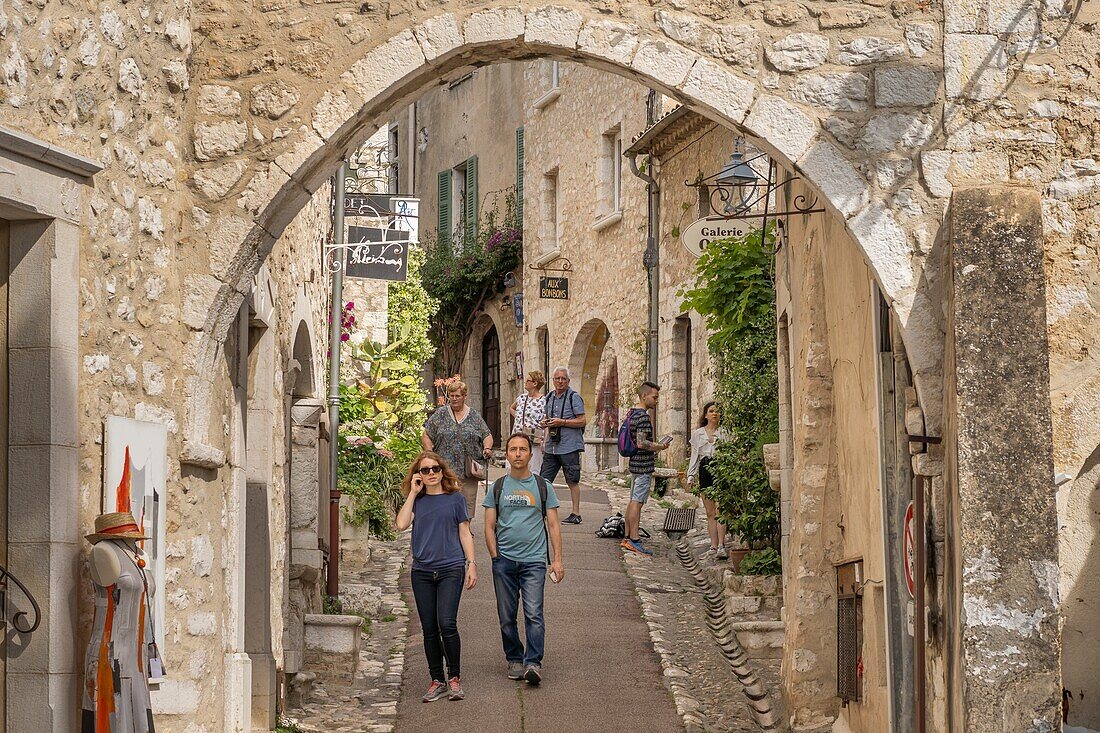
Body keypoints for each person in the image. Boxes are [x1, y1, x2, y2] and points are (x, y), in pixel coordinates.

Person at [396, 452, 478, 703]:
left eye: (434, 469)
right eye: (424, 470)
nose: (430, 473)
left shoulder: (455, 499)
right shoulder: (418, 501)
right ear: (418, 475)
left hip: (450, 568)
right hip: (421, 572)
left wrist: (471, 564)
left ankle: (454, 678)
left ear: (442, 471)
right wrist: (412, 492)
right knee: (429, 629)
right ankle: (437, 680)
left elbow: (465, 533)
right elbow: (400, 524)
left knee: (447, 623)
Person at [484, 433, 565, 686]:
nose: (518, 454)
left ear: (531, 454)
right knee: (506, 615)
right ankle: (514, 658)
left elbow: (553, 525)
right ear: (506, 455)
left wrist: (558, 560)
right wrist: (496, 556)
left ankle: (533, 663)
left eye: (522, 449)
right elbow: (488, 526)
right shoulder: (497, 488)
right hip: (505, 561)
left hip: (534, 561)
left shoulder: (543, 487)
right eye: (513, 450)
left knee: (533, 613)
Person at [83, 511, 161, 733]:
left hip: (136, 652)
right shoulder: (102, 551)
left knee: (136, 714)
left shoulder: (137, 554)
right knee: (112, 714)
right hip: (110, 648)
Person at [421, 380, 493, 519]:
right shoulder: (440, 414)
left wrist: (487, 448)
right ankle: (450, 528)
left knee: (468, 501)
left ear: (465, 396)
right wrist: (429, 454)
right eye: (451, 395)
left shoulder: (474, 415)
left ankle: (465, 529)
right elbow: (427, 434)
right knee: (446, 501)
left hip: (468, 468)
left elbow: (487, 435)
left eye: (457, 396)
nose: (454, 399)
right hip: (445, 468)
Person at [621, 381, 669, 556]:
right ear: (644, 396)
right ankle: (634, 539)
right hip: (643, 465)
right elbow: (642, 443)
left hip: (635, 463)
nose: (656, 400)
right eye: (654, 397)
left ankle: (627, 536)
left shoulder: (631, 413)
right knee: (637, 501)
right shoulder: (642, 417)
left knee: (633, 500)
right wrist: (659, 446)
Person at [539, 367, 587, 525]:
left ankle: (576, 513)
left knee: (572, 480)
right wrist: (544, 425)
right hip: (552, 446)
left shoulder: (574, 397)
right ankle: (541, 511)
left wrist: (563, 422)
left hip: (569, 445)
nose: (560, 381)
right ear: (553, 380)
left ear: (568, 381)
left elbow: (582, 421)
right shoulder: (549, 397)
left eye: (563, 379)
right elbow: (547, 418)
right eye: (557, 378)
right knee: (543, 479)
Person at [687, 401, 732, 560]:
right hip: (705, 469)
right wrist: (690, 475)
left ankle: (721, 545)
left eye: (717, 412)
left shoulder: (725, 432)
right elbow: (695, 456)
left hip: (721, 469)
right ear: (706, 415)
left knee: (721, 510)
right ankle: (713, 545)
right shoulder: (698, 433)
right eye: (711, 411)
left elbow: (730, 453)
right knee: (710, 512)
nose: (715, 414)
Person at [510, 370, 547, 474]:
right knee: (516, 468)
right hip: (517, 436)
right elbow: (511, 408)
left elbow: (546, 421)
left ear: (535, 383)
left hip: (534, 439)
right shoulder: (521, 398)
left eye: (528, 380)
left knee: (534, 469)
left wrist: (545, 441)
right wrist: (518, 417)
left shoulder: (543, 400)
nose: (525, 382)